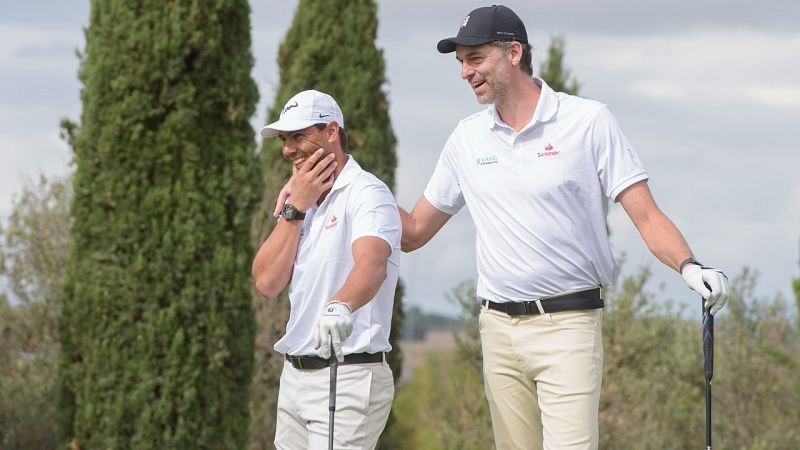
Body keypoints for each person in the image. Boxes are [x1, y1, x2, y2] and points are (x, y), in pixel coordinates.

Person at [398, 5, 729, 450]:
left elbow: (647, 215)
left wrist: (690, 266)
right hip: (497, 331)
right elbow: (414, 231)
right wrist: (350, 182)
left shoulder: (588, 121)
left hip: (568, 327)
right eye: (460, 62)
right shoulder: (466, 138)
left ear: (513, 52)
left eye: (475, 58)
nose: (464, 72)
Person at [252, 89, 400, 450]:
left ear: (332, 131)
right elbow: (267, 282)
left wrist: (341, 304)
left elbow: (373, 263)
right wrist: (295, 209)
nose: (288, 149)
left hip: (347, 376)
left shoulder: (367, 192)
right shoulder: (300, 203)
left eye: (298, 136)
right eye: (284, 140)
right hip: (294, 378)